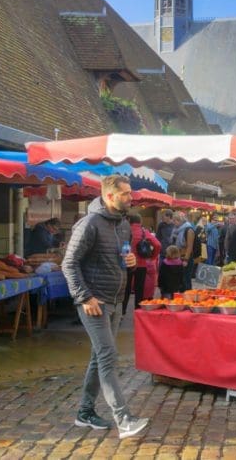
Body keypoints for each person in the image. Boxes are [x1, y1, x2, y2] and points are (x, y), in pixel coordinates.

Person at [61, 174, 149, 439]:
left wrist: (129, 261)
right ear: (109, 196)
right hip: (94, 302)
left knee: (99, 358)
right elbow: (69, 263)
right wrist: (84, 297)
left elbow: (118, 258)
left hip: (114, 301)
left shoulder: (122, 224)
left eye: (130, 193)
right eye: (125, 194)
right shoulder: (88, 224)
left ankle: (84, 412)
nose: (130, 198)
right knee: (108, 357)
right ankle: (124, 420)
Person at [122, 214, 161, 312]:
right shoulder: (144, 232)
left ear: (129, 220)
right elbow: (157, 244)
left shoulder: (125, 231)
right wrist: (153, 257)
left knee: (126, 289)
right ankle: (138, 311)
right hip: (142, 264)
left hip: (127, 263)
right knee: (140, 290)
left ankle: (122, 312)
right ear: (140, 222)